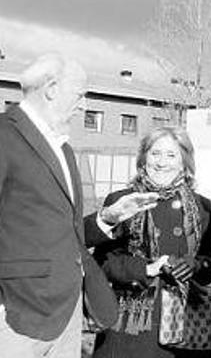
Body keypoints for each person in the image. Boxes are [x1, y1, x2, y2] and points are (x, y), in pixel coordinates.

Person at [0, 53, 159, 357]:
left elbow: (64, 231)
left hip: (66, 316)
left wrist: (108, 218)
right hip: (16, 318)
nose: (84, 103)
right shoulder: (4, 135)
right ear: (51, 89)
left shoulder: (65, 150)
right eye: (79, 93)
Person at [91, 126, 211, 358]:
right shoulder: (122, 201)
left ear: (184, 162)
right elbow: (103, 263)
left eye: (171, 155)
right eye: (155, 153)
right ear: (143, 158)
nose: (162, 163)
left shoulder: (202, 207)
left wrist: (196, 265)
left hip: (185, 324)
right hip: (132, 322)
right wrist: (145, 269)